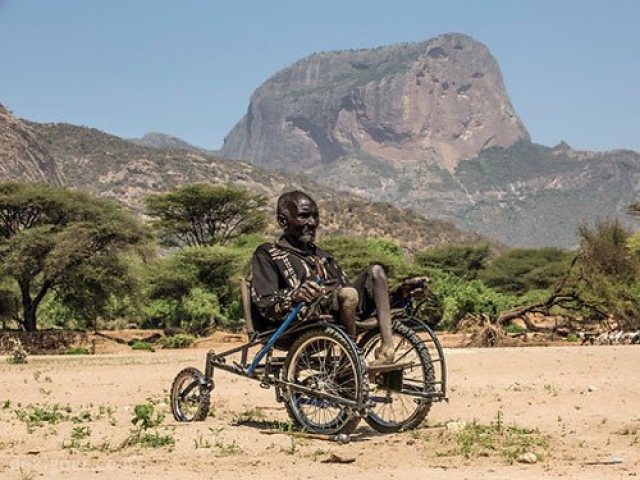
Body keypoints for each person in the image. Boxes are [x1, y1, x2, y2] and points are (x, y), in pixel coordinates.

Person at [249, 190, 396, 364]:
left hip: (338, 309)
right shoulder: (268, 254)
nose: (312, 223)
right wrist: (294, 295)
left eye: (315, 216)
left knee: (376, 272)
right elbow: (265, 301)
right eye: (304, 216)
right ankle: (348, 359)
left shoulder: (322, 255)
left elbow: (347, 288)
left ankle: (387, 348)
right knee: (348, 295)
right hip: (299, 321)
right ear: (283, 221)